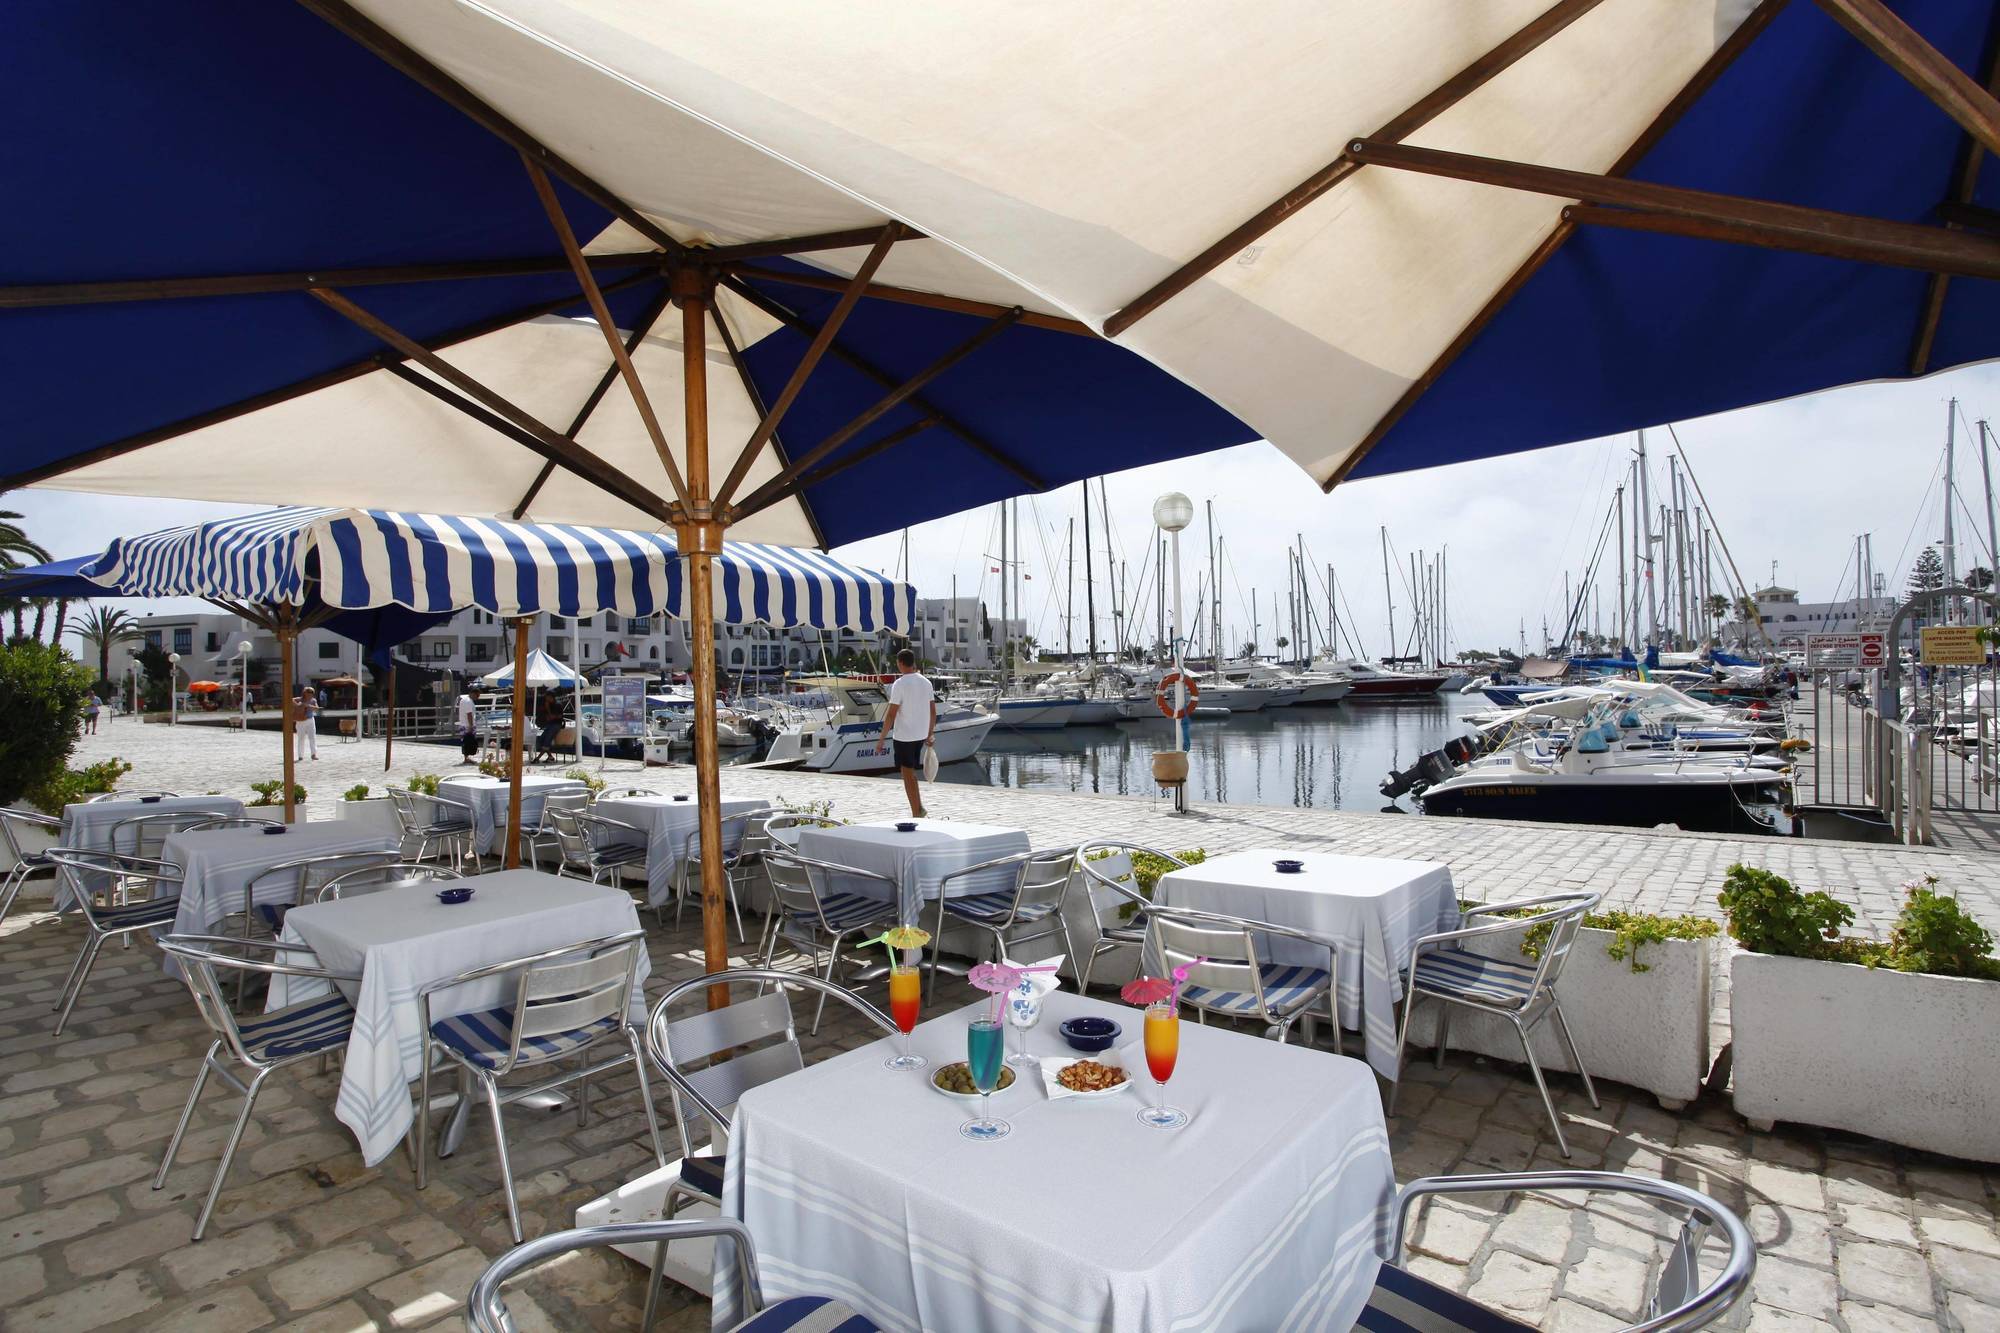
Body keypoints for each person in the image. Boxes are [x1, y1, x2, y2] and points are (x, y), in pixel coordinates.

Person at [879, 647, 935, 819]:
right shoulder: (926, 682)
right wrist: (930, 733)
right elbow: (933, 711)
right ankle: (919, 807)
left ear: (900, 663)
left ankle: (916, 812)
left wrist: (881, 739)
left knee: (907, 774)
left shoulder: (900, 684)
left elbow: (891, 714)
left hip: (904, 736)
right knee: (910, 772)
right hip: (920, 735)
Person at [534, 692, 562, 764]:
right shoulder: (549, 705)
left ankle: (537, 758)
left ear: (550, 697)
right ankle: (550, 757)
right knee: (541, 740)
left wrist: (549, 710)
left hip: (556, 724)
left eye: (547, 697)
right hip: (550, 724)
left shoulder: (557, 705)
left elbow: (556, 716)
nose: (546, 699)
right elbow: (548, 717)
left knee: (547, 741)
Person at [295, 683, 320, 761]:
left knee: (312, 737)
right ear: (305, 693)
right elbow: (291, 700)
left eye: (311, 694)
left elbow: (317, 708)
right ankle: (300, 755)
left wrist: (312, 707)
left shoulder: (313, 700)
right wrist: (301, 705)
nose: (310, 695)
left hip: (310, 720)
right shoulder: (300, 699)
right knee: (301, 738)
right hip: (300, 720)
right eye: (308, 693)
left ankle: (313, 754)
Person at [456, 691, 479, 764]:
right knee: (470, 742)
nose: (477, 698)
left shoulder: (463, 699)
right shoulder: (468, 701)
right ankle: (467, 758)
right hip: (467, 725)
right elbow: (469, 714)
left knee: (465, 742)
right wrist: (471, 725)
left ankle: (466, 758)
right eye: (477, 695)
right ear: (473, 693)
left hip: (463, 724)